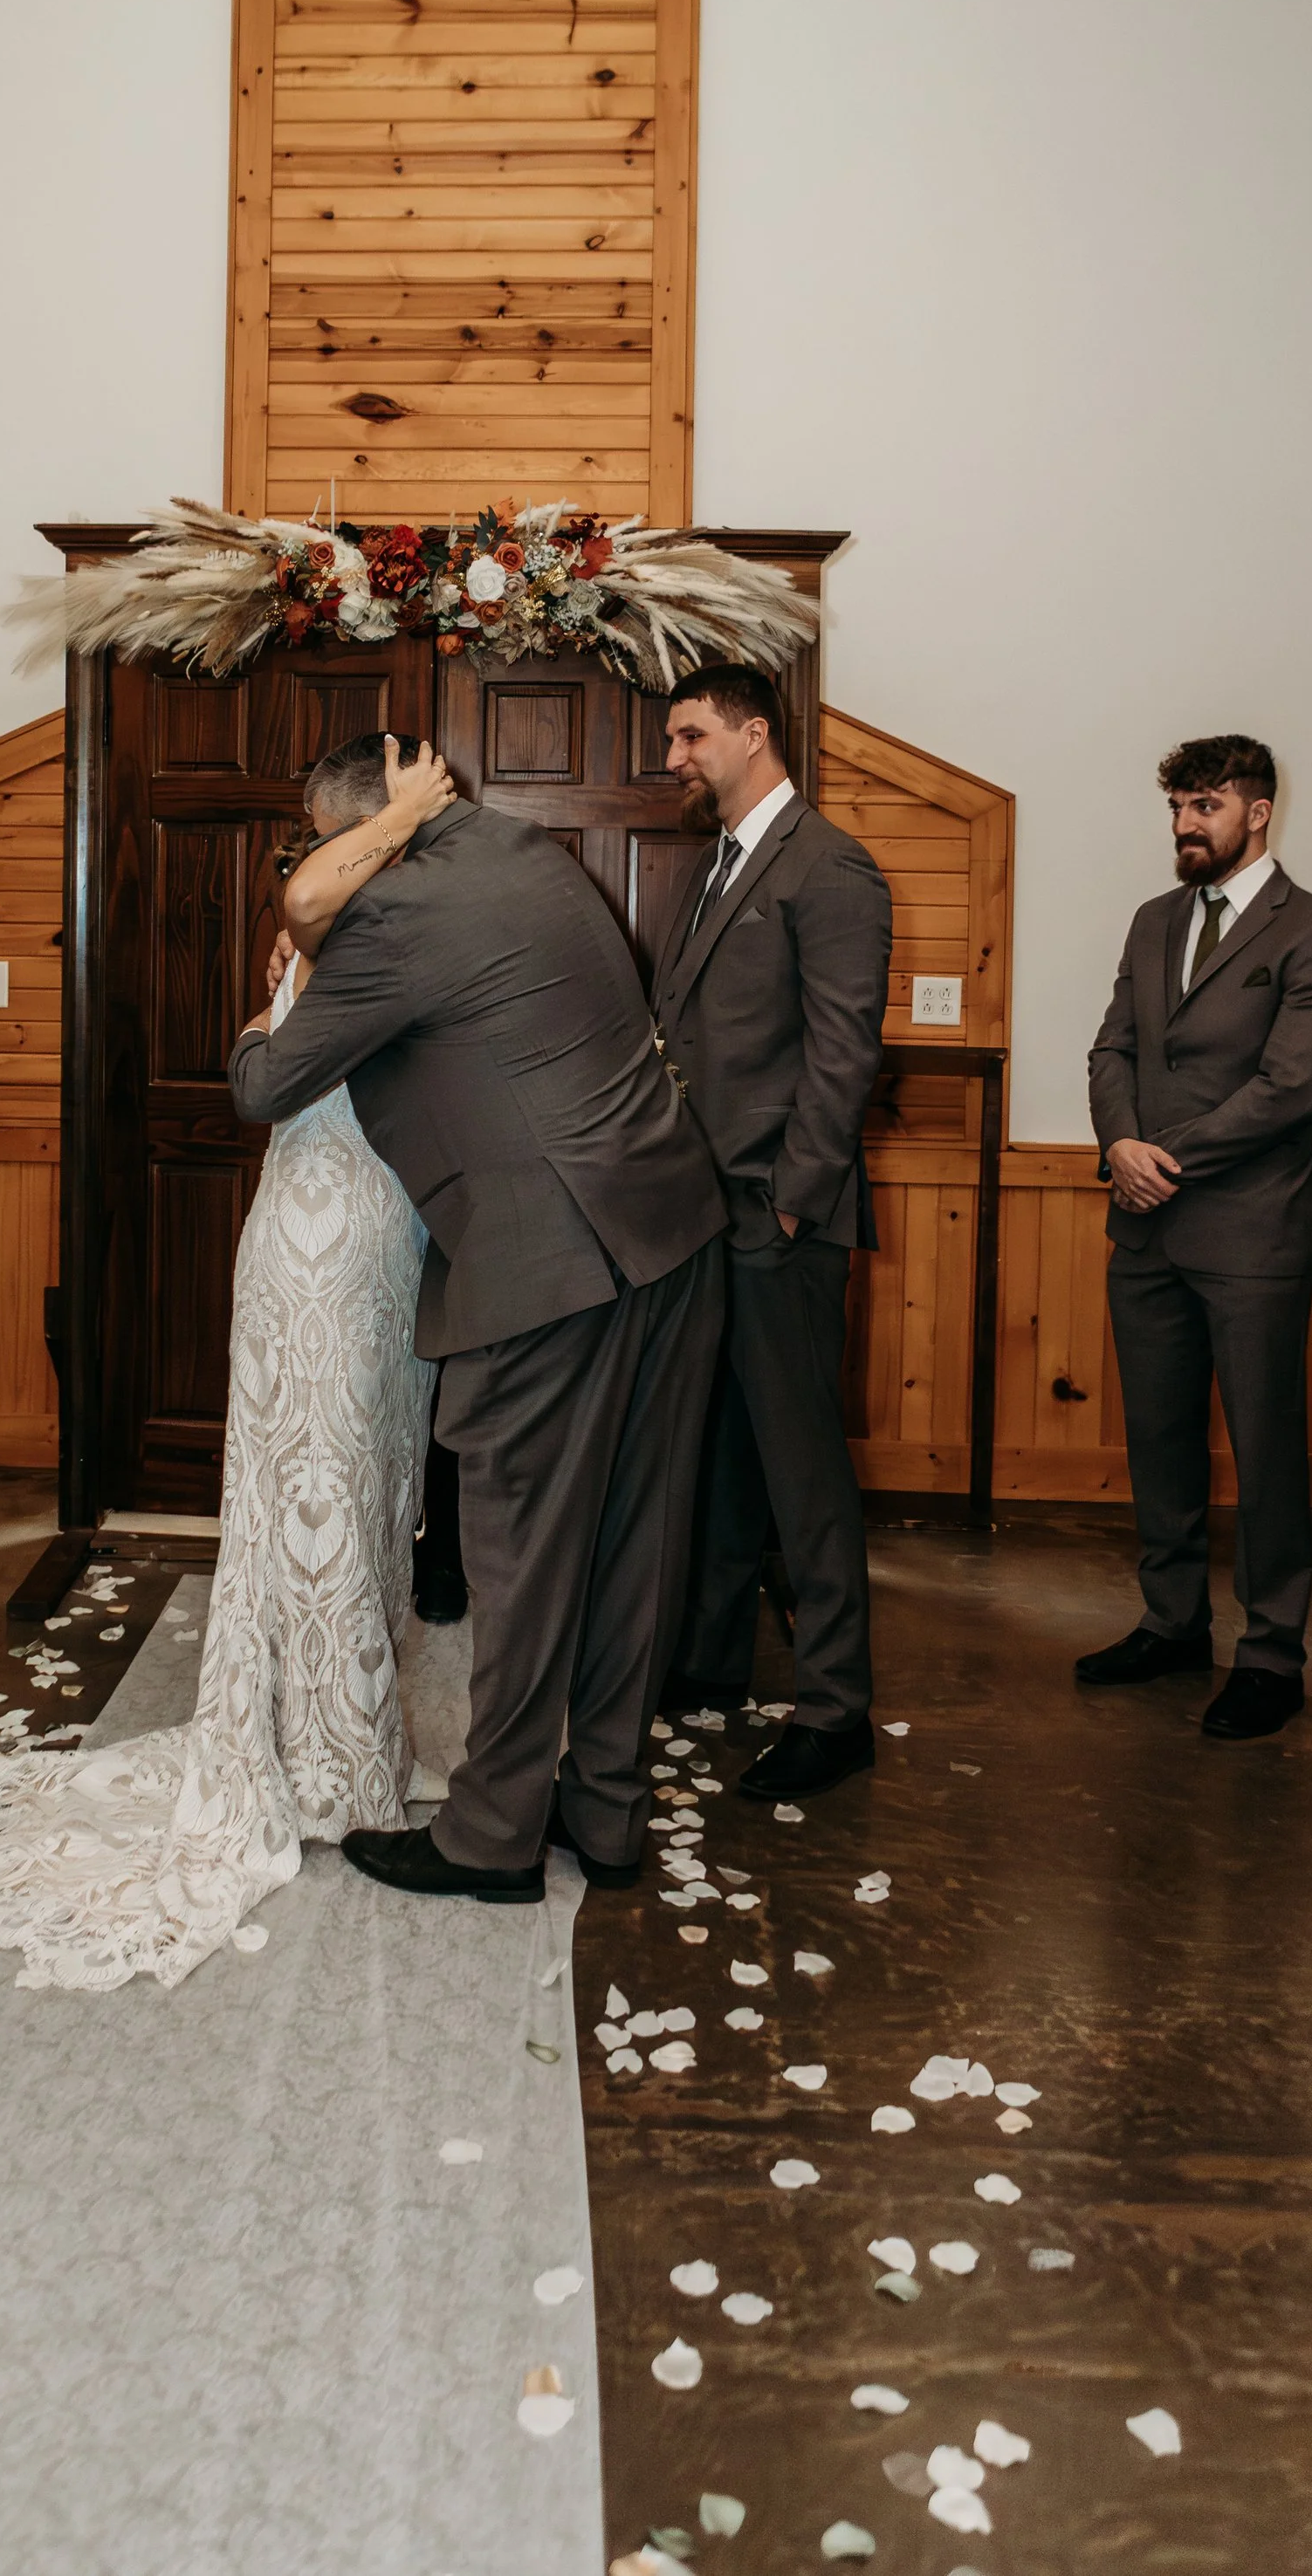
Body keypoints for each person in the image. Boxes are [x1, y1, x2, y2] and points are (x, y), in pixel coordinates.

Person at [0, 739, 457, 1987]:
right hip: (318, 1251)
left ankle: (349, 1738)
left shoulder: (381, 928)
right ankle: (317, 1758)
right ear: (361, 830)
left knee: (368, 1497)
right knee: (312, 1487)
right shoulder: (328, 926)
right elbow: (278, 1060)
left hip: (382, 1242)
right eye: (413, 816)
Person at [230, 734, 727, 1907]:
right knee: (630, 1546)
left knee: (524, 1552)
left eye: (323, 842)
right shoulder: (531, 852)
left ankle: (492, 1834)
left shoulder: (390, 914)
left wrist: (264, 1018)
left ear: (355, 830)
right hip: (671, 1228)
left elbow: (266, 1086)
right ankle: (602, 1811)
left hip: (549, 1262)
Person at [1082, 734, 1312, 1737]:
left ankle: (1272, 1655)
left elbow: (1289, 1091)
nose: (1182, 826)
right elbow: (1111, 1044)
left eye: (1202, 806)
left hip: (1253, 1234)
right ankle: (1170, 1624)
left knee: (1265, 1448)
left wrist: (1162, 1155)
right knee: (1158, 1442)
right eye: (1174, 807)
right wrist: (1118, 1140)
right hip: (1145, 1229)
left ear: (1256, 811)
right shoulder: (1153, 921)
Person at [650, 666, 895, 1800]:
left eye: (692, 734)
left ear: (756, 732)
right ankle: (708, 1664)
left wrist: (794, 1197)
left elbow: (845, 1053)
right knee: (722, 1456)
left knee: (802, 1477)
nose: (675, 756)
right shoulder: (714, 865)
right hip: (707, 1213)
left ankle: (837, 1708)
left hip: (781, 1218)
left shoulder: (830, 865)